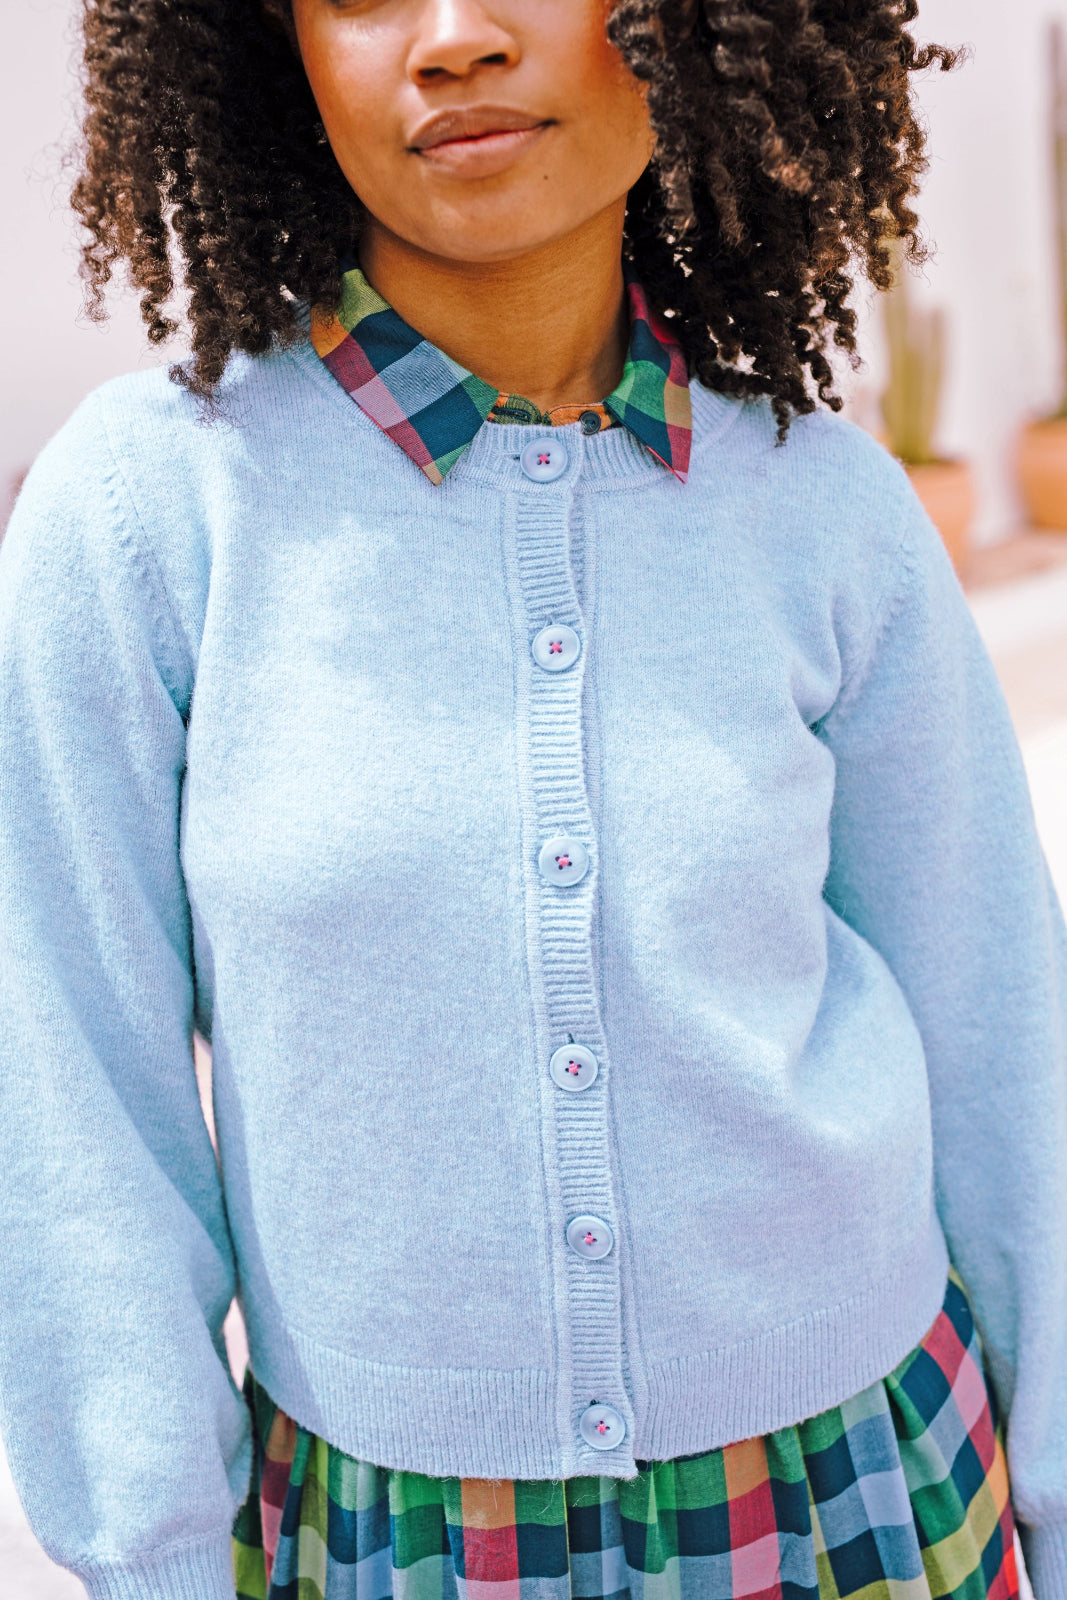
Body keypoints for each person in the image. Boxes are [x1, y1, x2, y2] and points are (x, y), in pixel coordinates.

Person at [0, 0, 1063, 1595]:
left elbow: (1001, 1049)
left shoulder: (826, 509)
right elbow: (67, 1088)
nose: (449, 39)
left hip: (870, 1490)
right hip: (395, 1538)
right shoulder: (153, 514)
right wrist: (152, 1555)